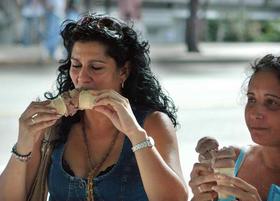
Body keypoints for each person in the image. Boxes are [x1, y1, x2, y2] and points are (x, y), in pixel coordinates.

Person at [0, 13, 188, 201]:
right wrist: (23, 146)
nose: (82, 77)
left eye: (96, 67)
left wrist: (135, 134)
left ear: (123, 71)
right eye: (76, 65)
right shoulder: (52, 125)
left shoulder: (153, 124)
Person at [189, 54, 280, 201]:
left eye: (271, 102)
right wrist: (201, 195)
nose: (255, 113)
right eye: (251, 99)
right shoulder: (234, 161)